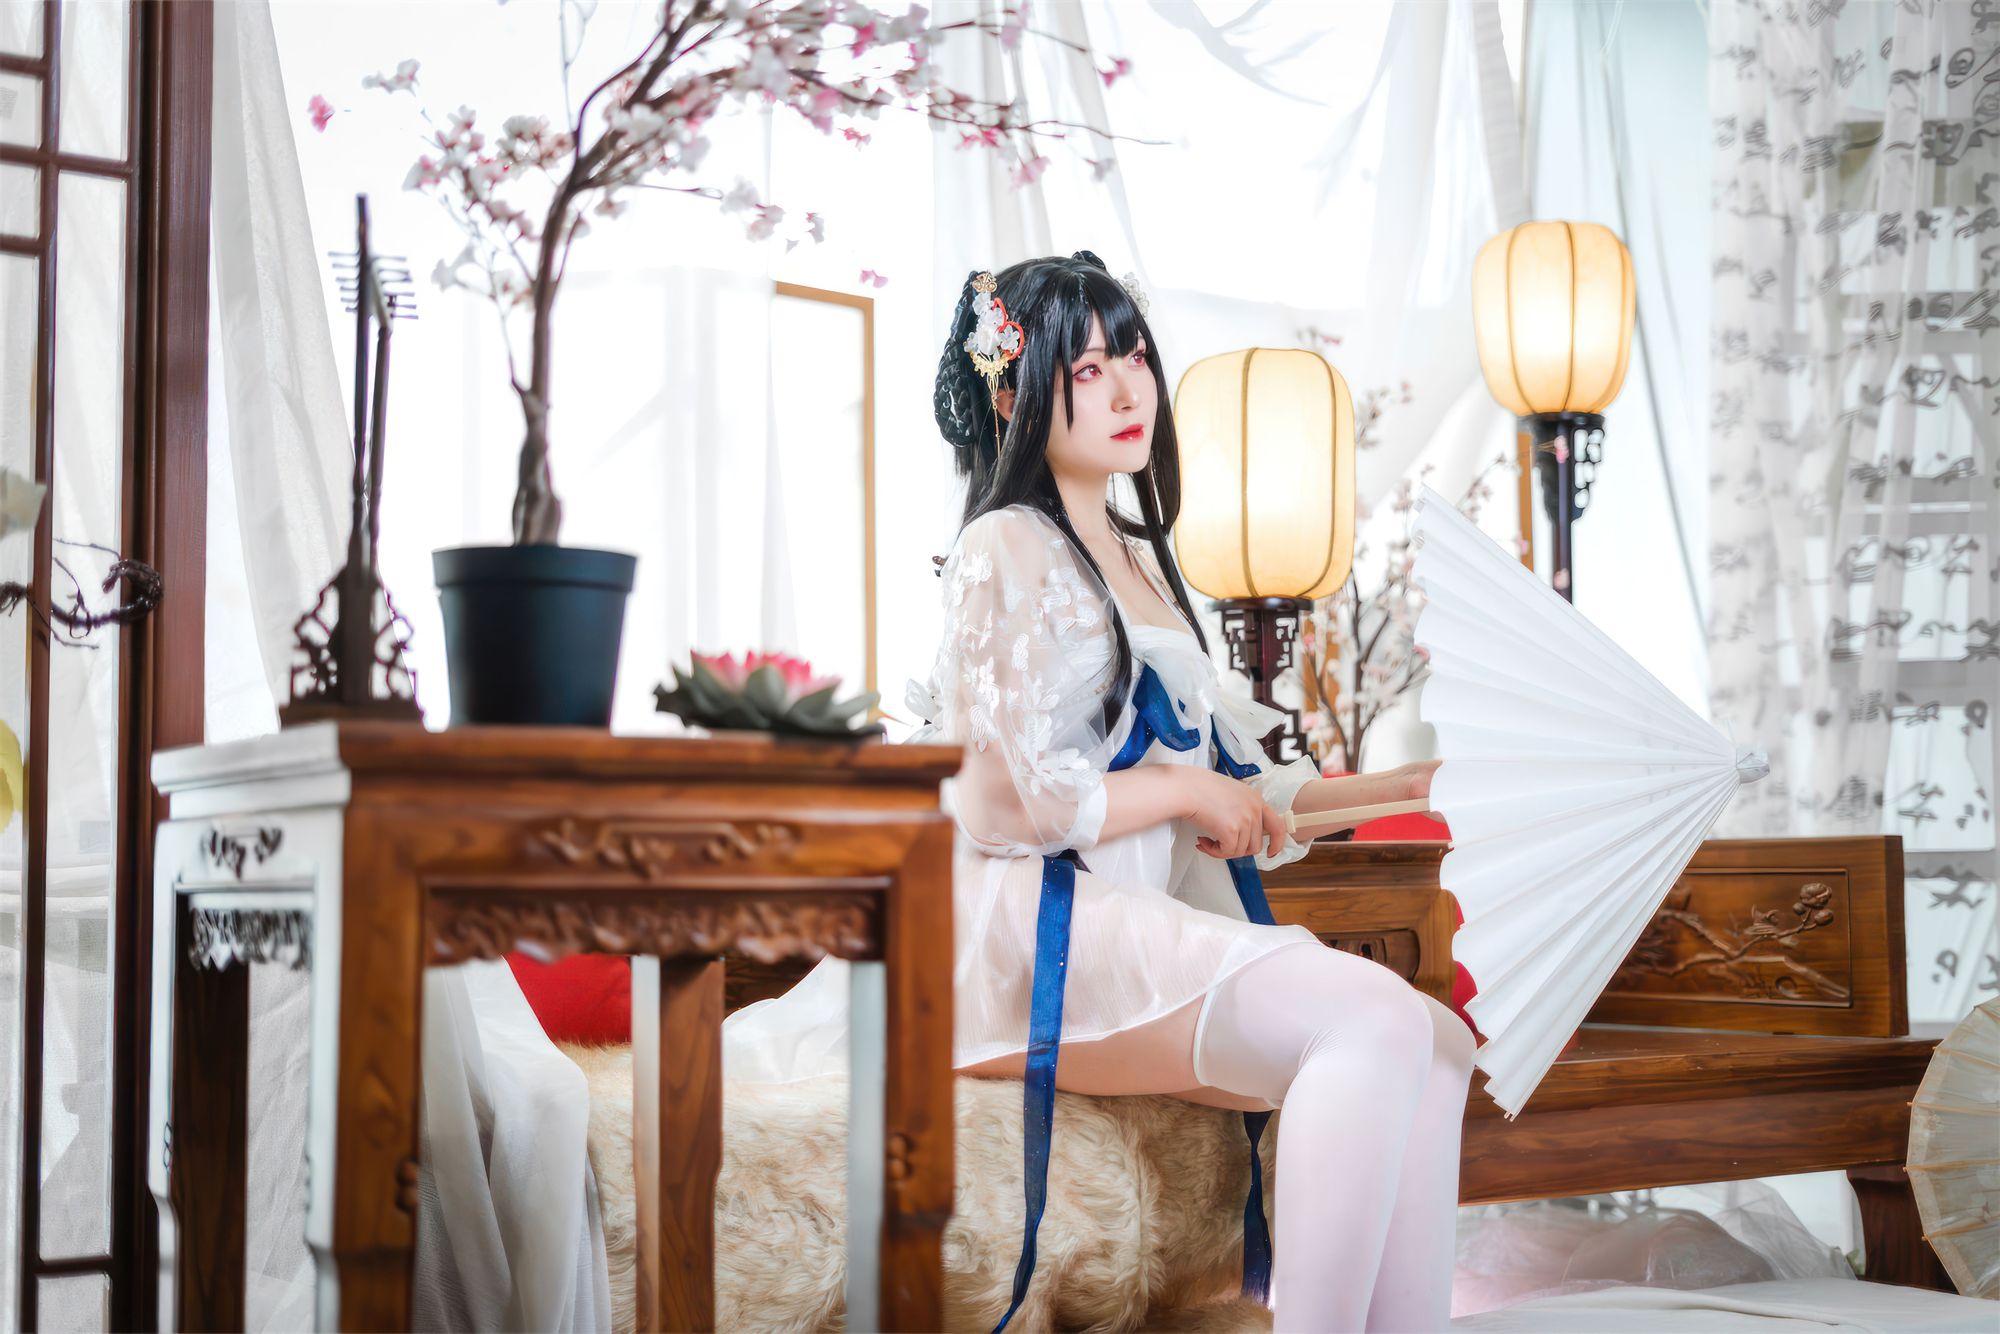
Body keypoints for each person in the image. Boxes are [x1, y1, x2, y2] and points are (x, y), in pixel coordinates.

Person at [724, 252, 1473, 1333]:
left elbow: (1241, 786)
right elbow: (998, 802)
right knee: (1371, 1022)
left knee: (1437, 1040)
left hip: (1106, 910)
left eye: (1133, 357)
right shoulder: (1003, 544)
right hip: (1013, 923)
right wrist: (1177, 790)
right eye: (1086, 368)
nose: (1127, 388)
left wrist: (1408, 786)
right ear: (1016, 397)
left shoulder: (1137, 555)